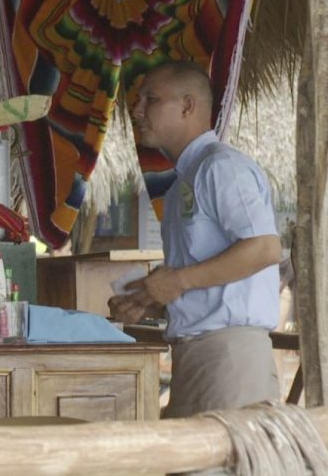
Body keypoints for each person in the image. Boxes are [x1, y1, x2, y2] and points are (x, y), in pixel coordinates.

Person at [109, 61, 282, 418]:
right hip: (197, 355)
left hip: (230, 356)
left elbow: (265, 248)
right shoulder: (184, 182)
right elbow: (206, 275)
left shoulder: (222, 167)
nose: (137, 110)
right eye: (138, 100)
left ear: (188, 106)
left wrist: (178, 281)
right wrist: (151, 298)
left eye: (151, 99)